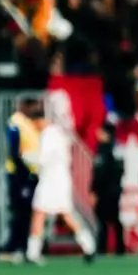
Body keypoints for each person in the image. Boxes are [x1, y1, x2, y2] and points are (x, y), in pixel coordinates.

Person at [26, 111, 95, 265]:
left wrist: (28, 158)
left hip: (51, 180)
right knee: (64, 214)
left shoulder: (48, 135)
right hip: (60, 179)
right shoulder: (59, 134)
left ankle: (33, 251)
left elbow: (42, 159)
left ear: (40, 121)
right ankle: (88, 244)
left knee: (40, 213)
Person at [3, 98, 41, 262]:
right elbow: (15, 149)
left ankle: (22, 246)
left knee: (27, 212)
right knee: (21, 211)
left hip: (30, 173)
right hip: (20, 173)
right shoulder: (16, 122)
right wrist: (23, 171)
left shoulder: (29, 123)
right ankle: (14, 248)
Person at [90, 121, 125, 256]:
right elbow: (121, 170)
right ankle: (120, 248)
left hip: (104, 192)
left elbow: (99, 174)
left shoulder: (102, 150)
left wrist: (94, 190)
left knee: (103, 221)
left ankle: (102, 248)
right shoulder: (118, 149)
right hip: (115, 190)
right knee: (115, 219)